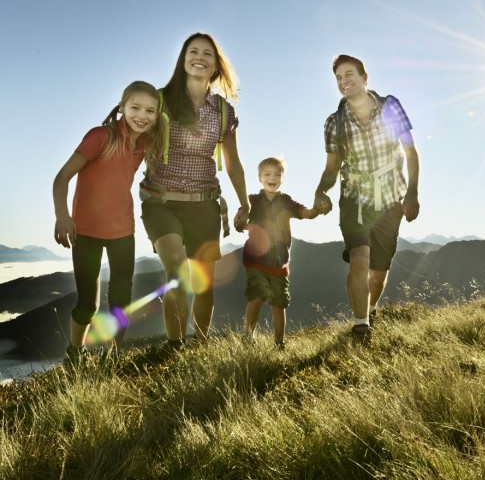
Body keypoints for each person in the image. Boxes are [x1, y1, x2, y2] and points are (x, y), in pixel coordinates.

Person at [140, 32, 250, 350]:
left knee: (203, 286)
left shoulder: (224, 112)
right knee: (176, 270)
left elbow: (234, 164)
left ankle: (200, 346)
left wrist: (245, 204)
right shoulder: (159, 100)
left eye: (207, 53)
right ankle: (176, 347)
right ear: (183, 59)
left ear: (216, 65)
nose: (199, 57)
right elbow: (131, 140)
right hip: (161, 203)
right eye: (193, 51)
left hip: (204, 204)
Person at [53, 81, 165, 362]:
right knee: (87, 305)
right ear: (122, 106)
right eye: (135, 107)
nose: (142, 115)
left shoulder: (147, 143)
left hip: (123, 232)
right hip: (86, 233)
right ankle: (75, 354)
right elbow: (62, 177)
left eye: (150, 110)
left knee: (121, 303)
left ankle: (112, 357)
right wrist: (62, 216)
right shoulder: (101, 136)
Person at [313, 54, 420, 345]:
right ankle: (361, 329)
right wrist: (321, 190)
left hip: (390, 197)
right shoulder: (334, 123)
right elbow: (332, 167)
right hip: (354, 197)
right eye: (338, 78)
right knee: (360, 256)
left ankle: (370, 311)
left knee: (378, 272)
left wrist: (412, 193)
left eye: (349, 75)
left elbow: (410, 152)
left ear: (364, 77)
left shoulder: (390, 106)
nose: (344, 81)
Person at [242, 157, 320, 349]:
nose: (272, 177)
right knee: (257, 297)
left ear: (283, 179)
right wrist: (240, 221)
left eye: (277, 174)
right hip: (255, 260)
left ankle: (279, 344)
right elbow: (241, 220)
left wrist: (317, 209)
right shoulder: (253, 200)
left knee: (279, 305)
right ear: (260, 177)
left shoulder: (286, 201)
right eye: (267, 174)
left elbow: (304, 212)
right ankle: (247, 338)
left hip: (279, 263)